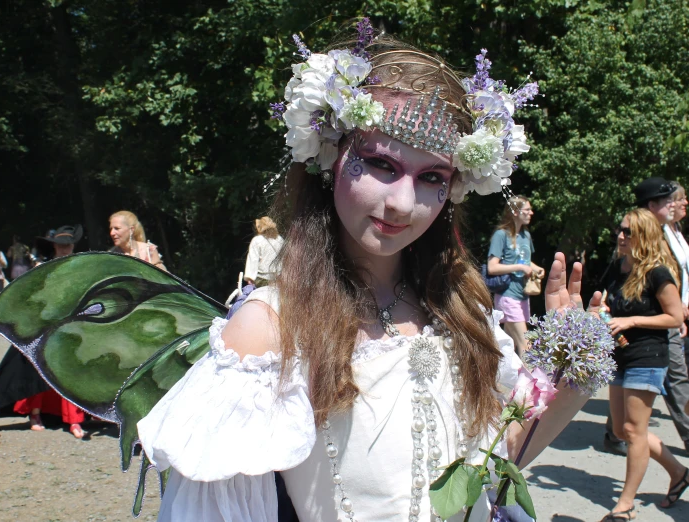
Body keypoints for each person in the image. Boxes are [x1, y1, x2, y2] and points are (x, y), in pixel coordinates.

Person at [136, 25, 600, 521]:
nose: (402, 203)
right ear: (330, 158)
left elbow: (493, 467)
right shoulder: (269, 328)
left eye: (432, 178)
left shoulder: (458, 308)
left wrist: (572, 367)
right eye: (381, 164)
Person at [601, 208, 688, 518]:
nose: (620, 235)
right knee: (623, 431)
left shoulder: (658, 273)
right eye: (620, 229)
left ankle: (625, 504)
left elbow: (675, 317)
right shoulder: (619, 266)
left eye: (628, 232)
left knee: (633, 430)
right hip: (619, 356)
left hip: (648, 357)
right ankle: (679, 471)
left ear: (645, 236)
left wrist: (631, 320)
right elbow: (605, 303)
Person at [0, 225, 88, 438]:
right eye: (60, 245)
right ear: (54, 246)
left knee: (69, 372)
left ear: (73, 245)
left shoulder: (81, 266)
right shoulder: (42, 267)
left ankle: (75, 421)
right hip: (44, 324)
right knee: (38, 369)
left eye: (67, 245)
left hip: (70, 323)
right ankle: (35, 414)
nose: (64, 249)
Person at [633, 177, 689, 452]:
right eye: (667, 201)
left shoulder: (671, 230)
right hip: (657, 316)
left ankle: (617, 432)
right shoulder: (643, 233)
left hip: (670, 313)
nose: (673, 205)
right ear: (651, 205)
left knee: (636, 380)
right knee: (677, 377)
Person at [487, 196, 545, 357]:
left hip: (522, 296)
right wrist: (519, 267)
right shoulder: (501, 235)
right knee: (526, 343)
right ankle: (532, 381)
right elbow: (492, 267)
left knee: (508, 345)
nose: (531, 213)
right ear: (515, 212)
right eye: (527, 210)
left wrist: (537, 268)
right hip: (507, 295)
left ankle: (502, 378)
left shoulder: (525, 235)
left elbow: (526, 261)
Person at [243, 216, 285, 286]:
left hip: (261, 279)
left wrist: (250, 277)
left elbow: (253, 259)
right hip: (277, 279)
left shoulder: (257, 240)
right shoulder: (280, 240)